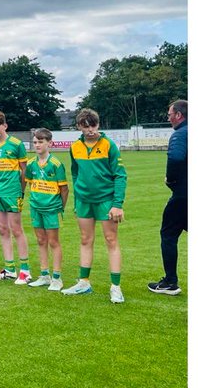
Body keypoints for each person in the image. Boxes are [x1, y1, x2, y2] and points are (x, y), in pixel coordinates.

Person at [63, 107, 127, 303]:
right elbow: (75, 174)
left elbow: (120, 175)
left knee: (111, 240)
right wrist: (77, 199)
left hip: (106, 200)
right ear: (79, 127)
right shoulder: (75, 147)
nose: (90, 130)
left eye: (94, 126)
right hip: (84, 201)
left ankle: (115, 287)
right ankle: (84, 282)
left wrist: (117, 204)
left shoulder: (108, 145)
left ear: (98, 125)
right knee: (85, 239)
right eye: (86, 126)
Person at [0, 109, 32, 283]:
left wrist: (21, 190)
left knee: (16, 229)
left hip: (12, 192)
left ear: (5, 125)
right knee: (2, 229)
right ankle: (10, 268)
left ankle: (25, 270)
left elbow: (24, 170)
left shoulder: (16, 144)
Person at [149, 99, 188, 296]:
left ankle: (170, 282)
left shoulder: (180, 134)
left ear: (178, 115)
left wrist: (171, 181)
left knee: (168, 235)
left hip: (183, 195)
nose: (168, 118)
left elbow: (175, 158)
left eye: (170, 114)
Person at [24, 128, 68, 289]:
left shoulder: (56, 164)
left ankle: (57, 278)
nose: (37, 145)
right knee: (41, 241)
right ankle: (44, 275)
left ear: (49, 143)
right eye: (35, 142)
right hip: (36, 207)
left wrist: (60, 207)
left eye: (41, 142)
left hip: (52, 209)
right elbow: (30, 182)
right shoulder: (30, 164)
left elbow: (64, 189)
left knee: (54, 242)